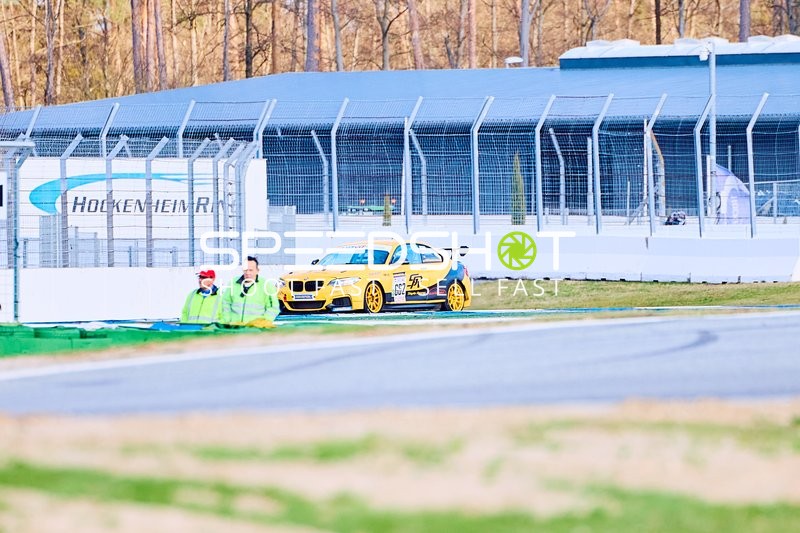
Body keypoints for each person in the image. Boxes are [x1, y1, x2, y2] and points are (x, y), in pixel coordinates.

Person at [221, 256, 280, 326]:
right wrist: (227, 320)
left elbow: (274, 307)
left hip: (256, 329)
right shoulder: (233, 283)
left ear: (257, 270)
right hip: (234, 327)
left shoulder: (266, 285)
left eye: (251, 270)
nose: (247, 273)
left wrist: (263, 322)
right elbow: (225, 303)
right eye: (245, 270)